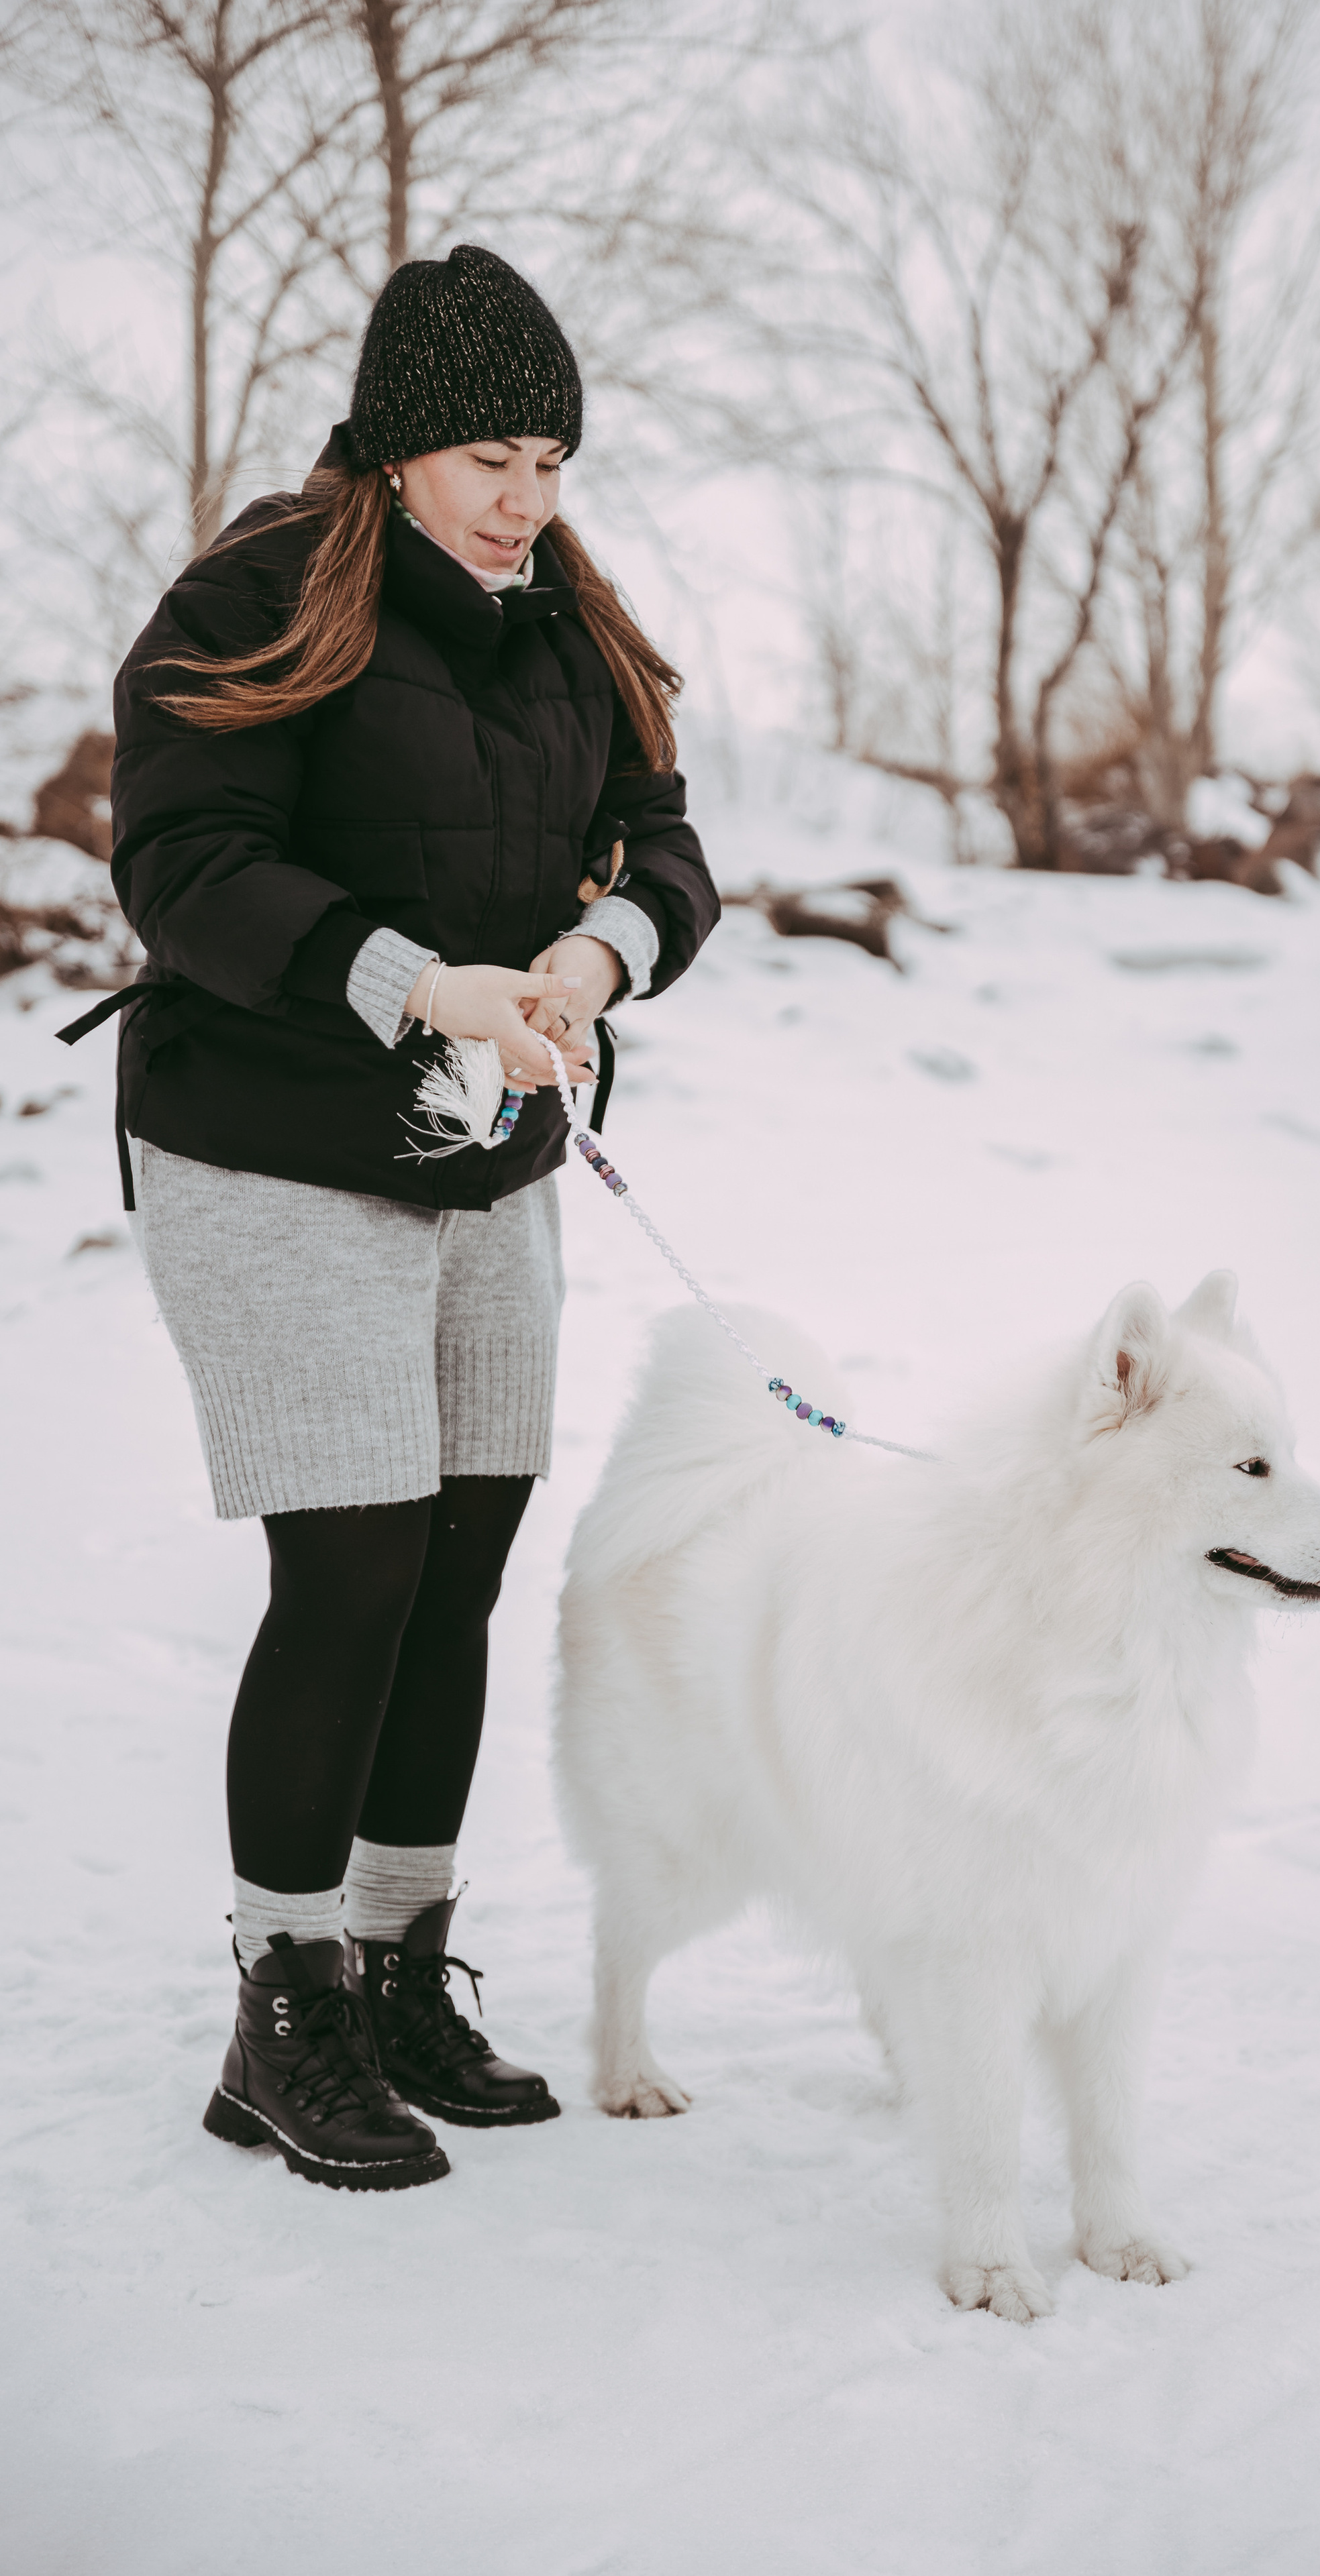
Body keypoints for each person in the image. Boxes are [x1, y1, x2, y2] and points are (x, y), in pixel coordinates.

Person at [97, 244, 718, 2186]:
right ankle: (282, 2004)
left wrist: (601, 957)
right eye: (487, 457)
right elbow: (183, 858)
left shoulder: (569, 630)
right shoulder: (262, 596)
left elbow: (671, 848)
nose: (527, 498)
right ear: (391, 444)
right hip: (272, 1146)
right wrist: (406, 975)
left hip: (483, 1159)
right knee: (353, 1564)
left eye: (551, 456)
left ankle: (396, 1962)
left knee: (459, 1558)